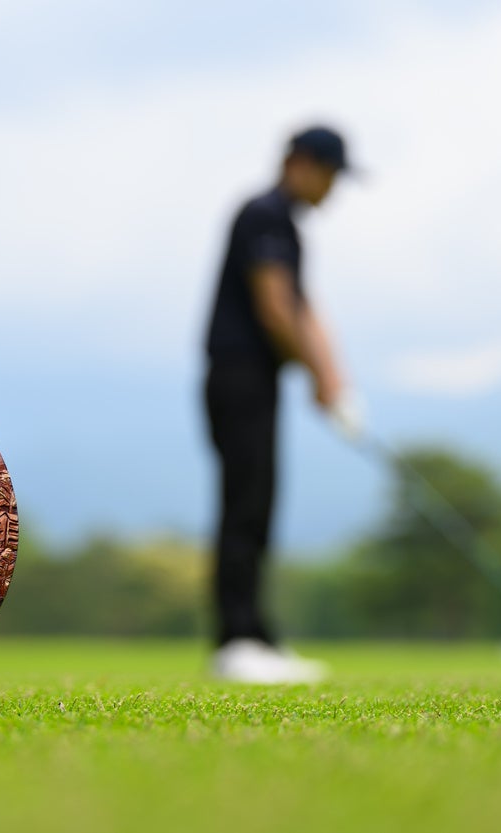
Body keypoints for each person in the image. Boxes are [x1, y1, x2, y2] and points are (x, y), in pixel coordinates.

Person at [203, 125, 363, 684]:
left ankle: (256, 635)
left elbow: (304, 306)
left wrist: (334, 380)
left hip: (258, 378)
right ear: (301, 163)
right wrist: (320, 378)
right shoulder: (264, 214)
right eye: (331, 175)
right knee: (245, 505)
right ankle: (237, 641)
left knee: (260, 502)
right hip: (238, 375)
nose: (332, 189)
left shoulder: (285, 224)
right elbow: (276, 309)